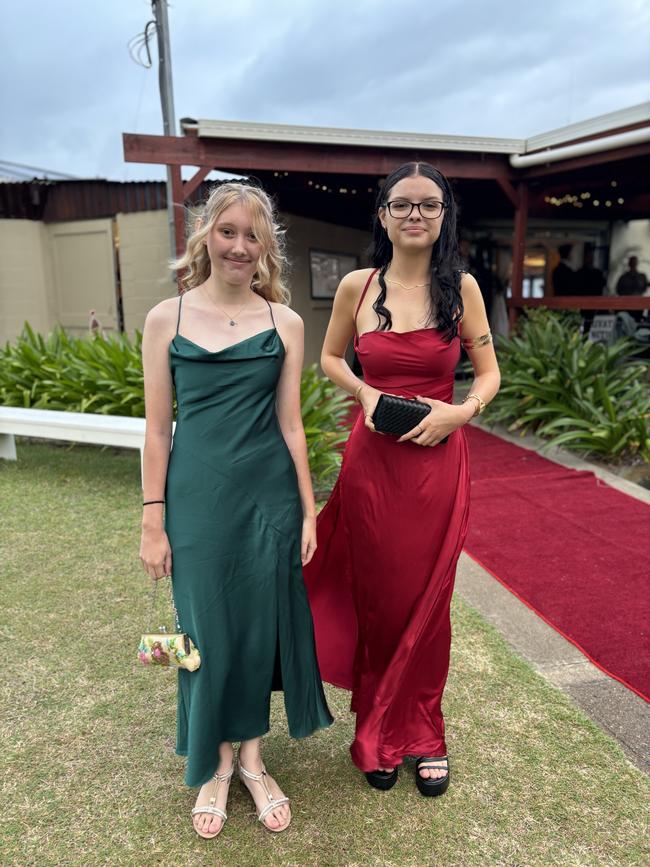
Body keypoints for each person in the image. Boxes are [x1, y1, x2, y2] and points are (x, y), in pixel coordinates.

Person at [139, 180, 332, 840]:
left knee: (254, 631)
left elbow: (293, 425)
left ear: (266, 246)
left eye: (253, 235)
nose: (240, 246)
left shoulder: (287, 323)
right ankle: (214, 764)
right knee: (200, 633)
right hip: (194, 503)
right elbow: (156, 429)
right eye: (229, 231)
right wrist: (151, 519)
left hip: (268, 502)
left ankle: (251, 757)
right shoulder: (166, 317)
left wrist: (307, 511)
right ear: (205, 236)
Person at [303, 162, 500, 796]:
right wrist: (363, 393)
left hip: (438, 465)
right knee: (378, 597)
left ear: (444, 216)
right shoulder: (356, 288)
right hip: (373, 464)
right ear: (383, 214)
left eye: (429, 205)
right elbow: (330, 357)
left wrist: (461, 412)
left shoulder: (462, 288)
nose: (416, 215)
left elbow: (490, 373)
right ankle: (378, 730)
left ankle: (425, 733)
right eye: (403, 204)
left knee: (430, 601)